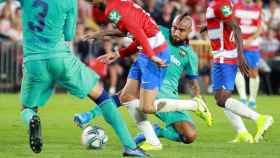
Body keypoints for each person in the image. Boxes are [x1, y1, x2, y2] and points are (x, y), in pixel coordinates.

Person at [0, 0, 146, 156]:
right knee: (102, 97)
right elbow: (69, 34)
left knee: (28, 108)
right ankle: (130, 146)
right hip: (60, 59)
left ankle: (31, 120)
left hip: (33, 61)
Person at [74, 13, 212, 151]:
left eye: (181, 30)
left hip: (169, 99)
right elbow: (129, 33)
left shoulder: (190, 56)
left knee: (190, 136)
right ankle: (89, 115)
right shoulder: (158, 32)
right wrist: (103, 35)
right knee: (125, 95)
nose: (176, 32)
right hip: (150, 84)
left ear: (189, 32)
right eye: (174, 28)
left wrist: (198, 98)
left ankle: (157, 132)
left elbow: (193, 84)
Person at [205, 0, 273, 143]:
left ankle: (260, 118)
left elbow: (236, 28)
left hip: (226, 57)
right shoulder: (221, 4)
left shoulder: (221, 4)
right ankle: (243, 133)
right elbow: (223, 22)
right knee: (221, 99)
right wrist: (208, 27)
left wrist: (241, 55)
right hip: (220, 56)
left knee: (223, 98)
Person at [234, 0, 262, 109]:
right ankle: (243, 98)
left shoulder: (257, 8)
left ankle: (252, 99)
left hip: (252, 45)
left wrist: (251, 39)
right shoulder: (236, 6)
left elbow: (259, 29)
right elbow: (233, 24)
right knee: (238, 69)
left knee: (253, 72)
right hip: (239, 44)